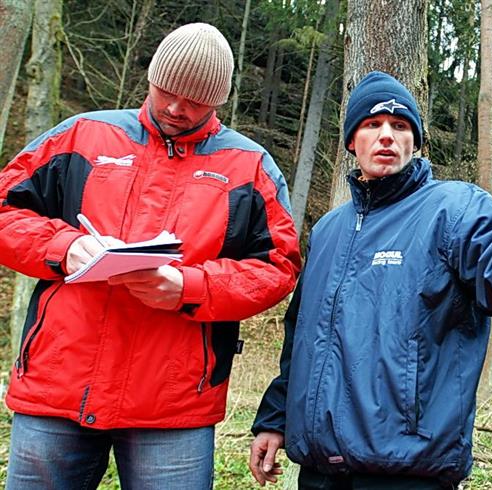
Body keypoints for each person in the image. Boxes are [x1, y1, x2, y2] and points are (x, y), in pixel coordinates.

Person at [249, 71, 492, 489]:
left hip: (408, 471)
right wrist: (275, 419)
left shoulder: (452, 209)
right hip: (319, 473)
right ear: (352, 140)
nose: (386, 135)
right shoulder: (330, 230)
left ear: (415, 142)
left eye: (400, 126)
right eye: (372, 125)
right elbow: (303, 337)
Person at [0, 23, 301, 489]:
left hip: (173, 402)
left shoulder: (249, 167)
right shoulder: (82, 135)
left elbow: (278, 267)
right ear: (151, 79)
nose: (176, 108)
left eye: (195, 101)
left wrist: (190, 287)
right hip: (58, 383)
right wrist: (63, 248)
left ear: (219, 99)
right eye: (166, 92)